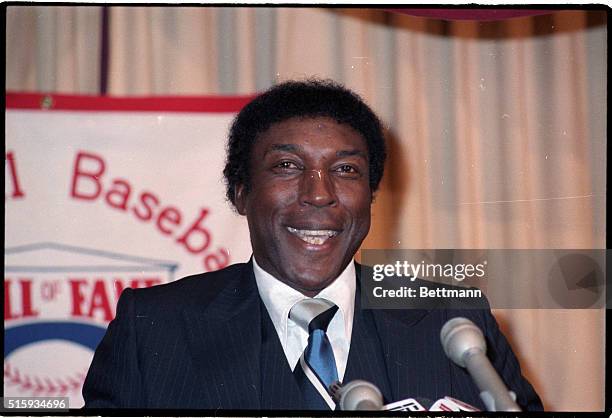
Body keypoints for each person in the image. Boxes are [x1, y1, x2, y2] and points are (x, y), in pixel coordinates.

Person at [83, 79, 543, 411]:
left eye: (345, 170)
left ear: (371, 197)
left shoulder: (452, 319)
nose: (319, 193)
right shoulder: (155, 326)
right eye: (286, 165)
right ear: (240, 192)